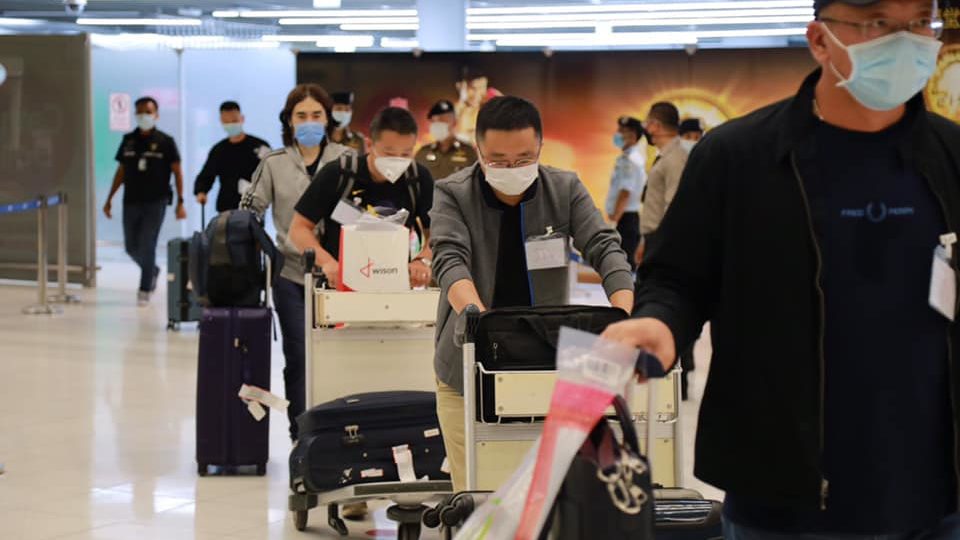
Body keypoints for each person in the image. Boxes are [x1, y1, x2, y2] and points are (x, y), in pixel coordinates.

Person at [603, 0, 960, 537]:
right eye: (880, 23)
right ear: (820, 41)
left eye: (919, 24)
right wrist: (660, 321)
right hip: (782, 496)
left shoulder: (951, 155)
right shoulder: (738, 157)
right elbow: (678, 277)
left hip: (937, 495)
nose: (907, 42)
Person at [430, 96, 635, 491]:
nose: (512, 170)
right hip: (467, 360)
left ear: (540, 148)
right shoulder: (453, 192)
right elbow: (449, 258)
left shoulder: (564, 188)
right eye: (499, 161)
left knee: (544, 488)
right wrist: (476, 317)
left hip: (544, 359)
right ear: (479, 151)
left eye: (524, 160)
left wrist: (622, 312)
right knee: (476, 490)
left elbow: (605, 247)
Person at [240, 84, 349, 444]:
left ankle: (338, 431)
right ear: (289, 120)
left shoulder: (346, 160)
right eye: (301, 115)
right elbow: (250, 212)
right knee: (299, 356)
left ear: (328, 118)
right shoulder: (274, 163)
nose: (309, 121)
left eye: (317, 115)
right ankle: (303, 435)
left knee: (338, 356)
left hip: (339, 276)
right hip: (290, 274)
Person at [289, 106, 435, 291]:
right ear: (369, 144)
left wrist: (422, 260)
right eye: (389, 153)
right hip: (340, 285)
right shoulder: (339, 174)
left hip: (395, 286)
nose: (397, 160)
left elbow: (438, 233)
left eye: (406, 154)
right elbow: (299, 228)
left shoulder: (418, 179)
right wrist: (328, 264)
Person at [103, 96, 186, 306]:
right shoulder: (128, 140)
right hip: (131, 200)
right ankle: (153, 271)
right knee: (131, 246)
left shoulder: (166, 142)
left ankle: (144, 288)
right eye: (139, 112)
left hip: (155, 201)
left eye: (148, 112)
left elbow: (177, 172)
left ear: (156, 115)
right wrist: (109, 198)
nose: (143, 116)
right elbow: (121, 171)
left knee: (148, 244)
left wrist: (181, 202)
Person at [194, 101, 271, 213]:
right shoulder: (218, 150)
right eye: (226, 122)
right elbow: (206, 175)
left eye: (234, 121)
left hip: (253, 207)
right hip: (226, 207)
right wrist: (201, 192)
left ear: (242, 119)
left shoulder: (259, 146)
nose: (231, 125)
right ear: (221, 122)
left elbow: (271, 173)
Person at [639, 101, 688, 248]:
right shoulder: (666, 156)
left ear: (655, 125)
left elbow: (674, 206)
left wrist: (663, 247)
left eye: (647, 123)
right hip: (655, 239)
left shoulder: (675, 158)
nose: (646, 128)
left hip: (662, 241)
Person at [606, 115, 647, 272]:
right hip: (627, 218)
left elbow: (625, 192)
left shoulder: (630, 160)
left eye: (622, 131)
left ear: (633, 136)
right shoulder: (628, 157)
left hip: (626, 219)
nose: (618, 134)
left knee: (625, 265)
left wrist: (614, 221)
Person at [415, 99, 478, 181]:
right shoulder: (422, 153)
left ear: (454, 122)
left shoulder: (469, 152)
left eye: (442, 120)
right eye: (434, 121)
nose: (437, 125)